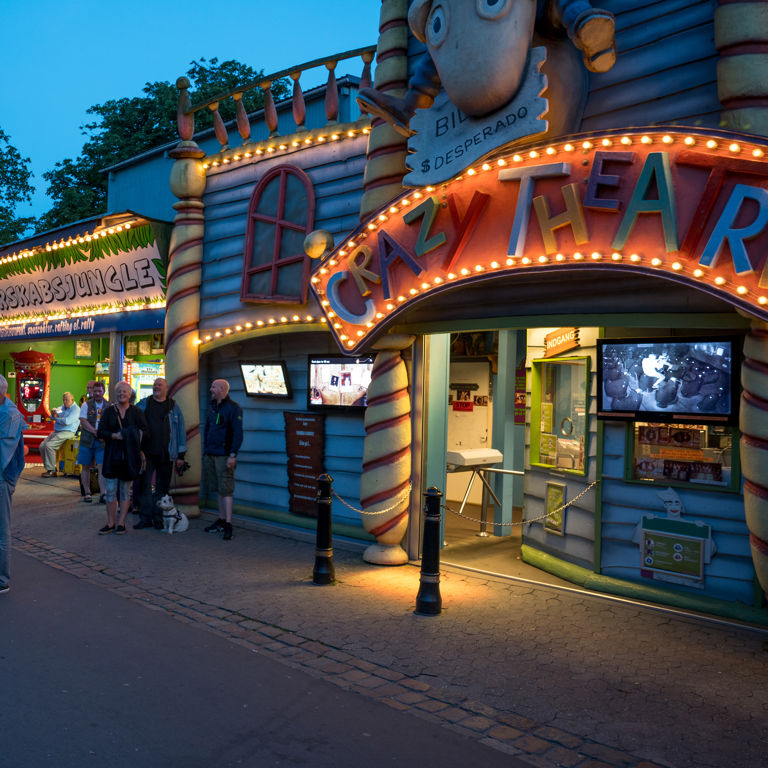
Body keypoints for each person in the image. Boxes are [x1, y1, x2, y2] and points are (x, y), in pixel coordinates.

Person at [134, 378, 187, 530]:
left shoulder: (173, 407)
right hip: (146, 454)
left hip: (167, 455)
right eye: (155, 385)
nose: (156, 387)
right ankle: (145, 518)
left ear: (166, 388)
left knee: (162, 489)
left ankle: (158, 518)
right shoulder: (144, 404)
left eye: (160, 385)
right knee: (144, 487)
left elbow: (181, 431)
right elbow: (133, 422)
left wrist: (181, 456)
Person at [97, 381, 147, 535]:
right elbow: (100, 432)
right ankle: (110, 522)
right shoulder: (108, 412)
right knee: (111, 491)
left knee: (125, 491)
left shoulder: (137, 412)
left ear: (130, 393)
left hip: (129, 457)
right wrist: (113, 435)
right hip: (113, 456)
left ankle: (121, 523)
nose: (121, 394)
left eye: (124, 392)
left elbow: (145, 432)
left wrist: (130, 436)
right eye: (118, 392)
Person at [203, 379, 243, 541]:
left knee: (226, 489)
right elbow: (207, 429)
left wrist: (233, 454)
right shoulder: (212, 407)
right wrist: (206, 451)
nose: (211, 389)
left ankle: (228, 524)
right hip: (211, 453)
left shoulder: (233, 408)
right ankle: (220, 519)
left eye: (213, 387)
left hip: (225, 455)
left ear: (221, 389)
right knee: (219, 488)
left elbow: (237, 433)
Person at [0, 374, 26, 595]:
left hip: (2, 479)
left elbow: (6, 453)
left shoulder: (9, 415)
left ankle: (2, 580)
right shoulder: (7, 411)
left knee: (2, 530)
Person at [77, 380, 109, 503]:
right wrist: (95, 431)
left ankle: (103, 494)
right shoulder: (86, 404)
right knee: (85, 466)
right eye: (95, 391)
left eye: (99, 391)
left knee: (101, 467)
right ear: (92, 391)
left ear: (103, 391)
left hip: (102, 442)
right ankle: (87, 493)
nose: (97, 393)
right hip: (87, 440)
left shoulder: (109, 405)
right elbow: (83, 421)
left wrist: (104, 434)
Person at [39, 392, 80, 477]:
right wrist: (53, 414)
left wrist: (56, 417)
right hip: (57, 431)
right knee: (42, 446)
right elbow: (51, 417)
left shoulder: (76, 410)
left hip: (68, 432)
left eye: (67, 400)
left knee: (49, 446)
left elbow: (66, 422)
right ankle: (49, 469)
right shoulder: (62, 407)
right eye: (64, 399)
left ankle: (52, 470)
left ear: (72, 400)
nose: (65, 401)